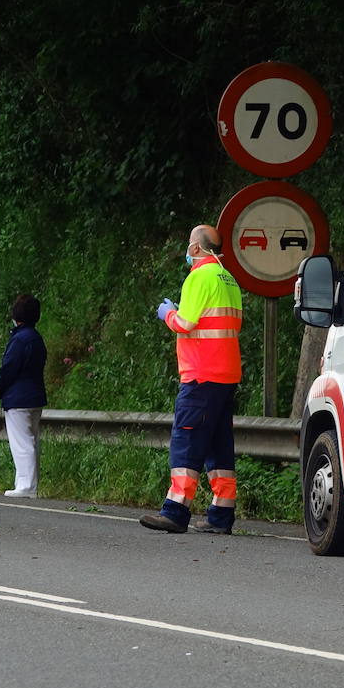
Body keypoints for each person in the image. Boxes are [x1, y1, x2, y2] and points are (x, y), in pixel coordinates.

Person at [141, 224, 243, 535]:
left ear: (197, 248)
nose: (187, 250)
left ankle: (175, 511)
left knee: (186, 440)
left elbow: (185, 323)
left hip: (201, 374)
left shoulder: (199, 276)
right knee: (218, 444)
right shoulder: (229, 278)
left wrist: (167, 313)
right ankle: (220, 515)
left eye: (189, 244)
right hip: (226, 374)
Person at [0, 294, 48, 498]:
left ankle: (26, 487)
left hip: (18, 398)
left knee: (22, 443)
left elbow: (9, 368)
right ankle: (26, 483)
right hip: (35, 396)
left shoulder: (19, 340)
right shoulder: (36, 338)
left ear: (16, 315)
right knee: (31, 441)